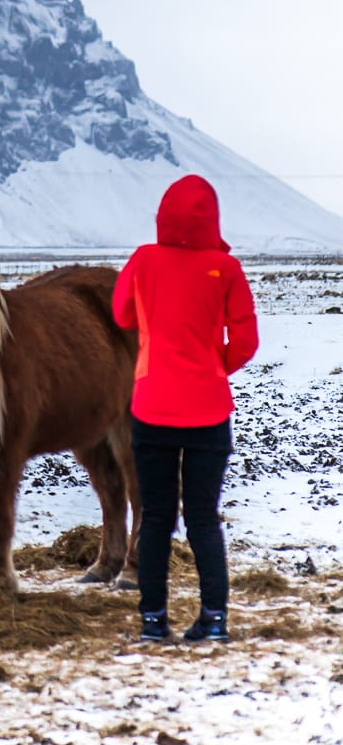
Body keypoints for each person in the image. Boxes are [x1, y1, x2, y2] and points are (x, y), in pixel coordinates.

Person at [113, 174, 258, 643]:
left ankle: (153, 621)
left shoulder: (143, 260)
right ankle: (214, 619)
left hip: (151, 407)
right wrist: (214, 367)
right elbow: (247, 341)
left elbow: (122, 315)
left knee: (156, 518)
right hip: (209, 411)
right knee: (203, 518)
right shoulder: (226, 268)